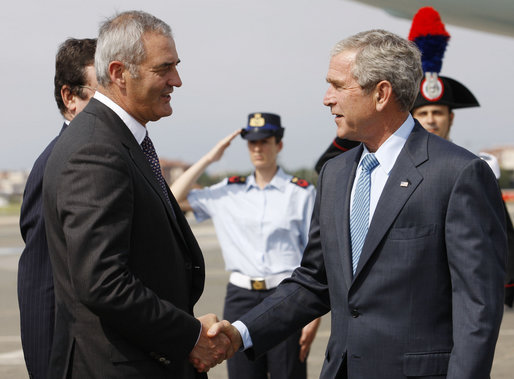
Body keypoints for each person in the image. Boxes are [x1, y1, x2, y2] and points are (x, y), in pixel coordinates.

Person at [205, 29, 507, 378]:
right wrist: (239, 333)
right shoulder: (335, 173)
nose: (326, 98)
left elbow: (477, 307)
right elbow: (314, 281)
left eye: (337, 85)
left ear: (381, 93)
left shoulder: (458, 174)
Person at [42, 11, 232, 378]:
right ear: (118, 73)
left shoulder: (120, 140)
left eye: (176, 66)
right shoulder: (96, 149)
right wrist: (190, 335)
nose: (176, 80)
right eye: (164, 69)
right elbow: (103, 282)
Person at [171, 112, 321, 379]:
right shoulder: (228, 191)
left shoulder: (300, 193)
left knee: (289, 374)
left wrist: (313, 315)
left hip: (285, 295)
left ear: (279, 145)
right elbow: (172, 198)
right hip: (240, 298)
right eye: (252, 142)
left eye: (265, 141)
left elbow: (317, 255)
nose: (257, 148)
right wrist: (208, 159)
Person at [408, 6, 514, 308]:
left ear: (450, 118)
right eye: (423, 113)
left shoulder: (475, 167)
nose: (431, 120)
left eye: (437, 113)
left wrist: (506, 286)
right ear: (413, 117)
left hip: (462, 291)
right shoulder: (394, 166)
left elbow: (500, 232)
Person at [18, 37, 97, 379]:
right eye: (102, 91)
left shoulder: (98, 155)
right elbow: (41, 279)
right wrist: (49, 367)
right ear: (70, 97)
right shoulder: (57, 162)